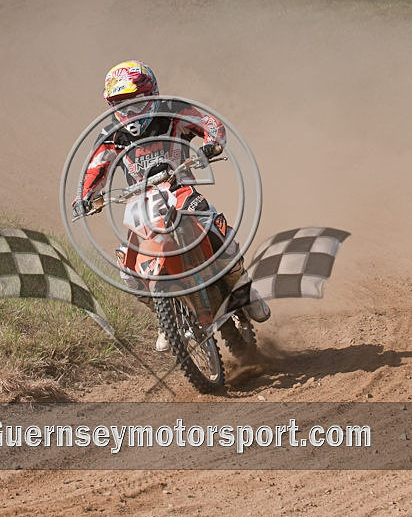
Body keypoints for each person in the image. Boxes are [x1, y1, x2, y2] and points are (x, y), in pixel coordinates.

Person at [72, 60, 270, 351]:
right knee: (128, 269)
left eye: (132, 100)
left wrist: (212, 142)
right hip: (140, 203)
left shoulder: (173, 111)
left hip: (179, 188)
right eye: (119, 103)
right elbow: (95, 168)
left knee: (211, 222)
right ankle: (168, 320)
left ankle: (244, 290)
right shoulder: (111, 134)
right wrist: (84, 197)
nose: (127, 110)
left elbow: (209, 123)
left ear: (148, 92)